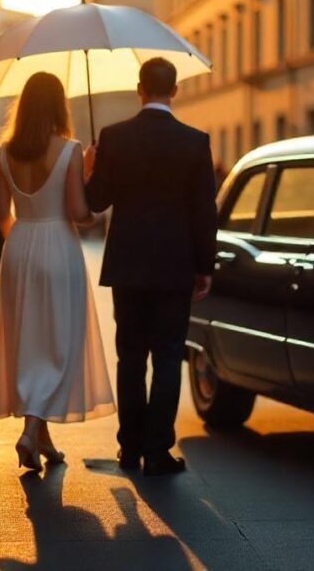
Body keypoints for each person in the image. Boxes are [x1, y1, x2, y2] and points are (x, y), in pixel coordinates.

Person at [85, 57, 218, 476]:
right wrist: (204, 265)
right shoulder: (195, 142)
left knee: (130, 358)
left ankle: (130, 447)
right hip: (175, 265)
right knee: (167, 357)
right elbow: (203, 211)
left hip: (128, 264)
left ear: (139, 89)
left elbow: (95, 203)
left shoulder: (114, 137)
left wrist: (91, 167)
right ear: (174, 91)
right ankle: (158, 451)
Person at [0, 72, 115, 472]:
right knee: (58, 342)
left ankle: (42, 439)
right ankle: (31, 430)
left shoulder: (5, 152)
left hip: (19, 246)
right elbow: (79, 213)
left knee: (27, 340)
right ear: (59, 105)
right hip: (58, 246)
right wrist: (96, 193)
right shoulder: (70, 149)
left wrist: (23, 236)